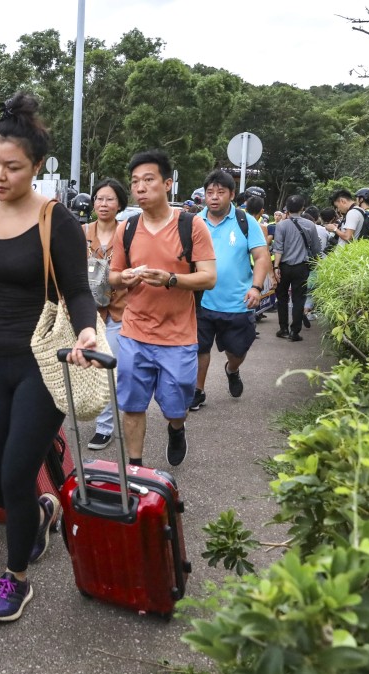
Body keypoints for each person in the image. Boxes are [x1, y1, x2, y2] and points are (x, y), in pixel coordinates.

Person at [0, 93, 97, 623]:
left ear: (37, 166)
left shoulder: (55, 219)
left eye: (12, 166)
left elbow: (79, 290)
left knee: (15, 474)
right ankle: (43, 511)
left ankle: (16, 578)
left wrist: (87, 333)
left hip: (43, 363)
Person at [107, 150, 215, 468]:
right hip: (134, 332)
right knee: (132, 405)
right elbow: (112, 275)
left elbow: (208, 278)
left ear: (167, 184)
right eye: (135, 182)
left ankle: (176, 429)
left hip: (178, 336)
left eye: (148, 180)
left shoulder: (191, 225)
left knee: (176, 407)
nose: (140, 188)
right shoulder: (126, 228)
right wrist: (124, 277)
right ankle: (135, 467)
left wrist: (171, 279)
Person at [190, 170, 270, 411]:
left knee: (237, 351)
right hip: (201, 300)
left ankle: (232, 369)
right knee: (200, 349)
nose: (214, 197)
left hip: (238, 301)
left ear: (232, 195)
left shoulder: (245, 221)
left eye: (220, 192)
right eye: (210, 192)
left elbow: (261, 256)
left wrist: (256, 288)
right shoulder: (194, 222)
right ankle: (198, 391)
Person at [84, 177, 129, 450]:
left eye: (109, 199)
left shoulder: (128, 233)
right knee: (88, 369)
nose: (103, 204)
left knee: (109, 369)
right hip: (87, 313)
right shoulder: (82, 233)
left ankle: (104, 427)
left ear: (119, 204)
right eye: (99, 198)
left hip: (119, 312)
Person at [272, 195, 324, 341]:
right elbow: (316, 248)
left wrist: (275, 268)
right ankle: (295, 332)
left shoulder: (281, 225)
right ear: (302, 208)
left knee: (282, 298)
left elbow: (278, 248)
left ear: (287, 208)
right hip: (302, 267)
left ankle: (283, 329)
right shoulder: (310, 225)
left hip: (283, 266)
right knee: (298, 298)